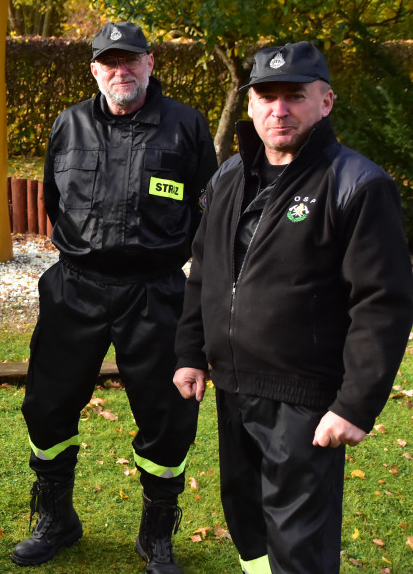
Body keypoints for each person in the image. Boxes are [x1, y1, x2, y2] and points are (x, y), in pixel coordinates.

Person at [173, 42, 413, 574]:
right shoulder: (229, 177)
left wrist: (355, 404)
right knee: (246, 519)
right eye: (266, 96)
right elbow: (204, 271)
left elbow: (383, 304)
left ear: (324, 103)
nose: (279, 109)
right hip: (233, 387)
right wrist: (190, 351)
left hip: (304, 399)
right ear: (250, 104)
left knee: (298, 541)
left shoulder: (357, 185)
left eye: (294, 97)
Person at [13, 22, 217, 572]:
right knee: (46, 406)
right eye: (110, 62)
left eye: (132, 60)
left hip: (155, 290)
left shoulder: (185, 126)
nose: (121, 71)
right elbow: (56, 200)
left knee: (168, 415)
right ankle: (57, 518)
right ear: (95, 70)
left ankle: (156, 536)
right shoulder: (70, 123)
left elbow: (211, 210)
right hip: (76, 285)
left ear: (151, 64)